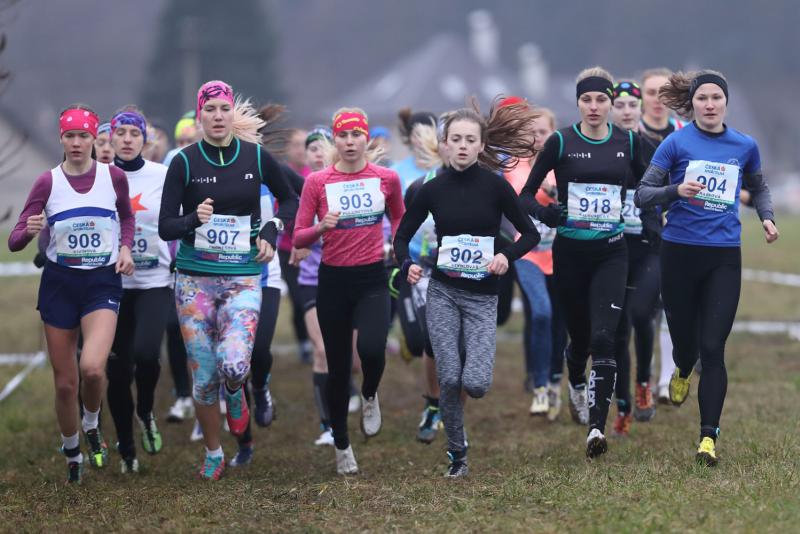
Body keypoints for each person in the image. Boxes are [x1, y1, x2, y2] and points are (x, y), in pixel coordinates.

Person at [635, 70, 778, 466]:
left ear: (726, 103)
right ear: (693, 104)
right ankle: (681, 368)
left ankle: (707, 438)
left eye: (717, 97)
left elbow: (759, 186)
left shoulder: (744, 145)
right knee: (687, 347)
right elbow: (643, 194)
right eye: (702, 98)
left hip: (723, 257)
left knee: (713, 348)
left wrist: (766, 217)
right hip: (679, 255)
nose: (710, 104)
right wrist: (675, 191)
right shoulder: (676, 143)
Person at [159, 80, 298, 480]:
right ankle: (214, 451)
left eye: (224, 109)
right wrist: (192, 219)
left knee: (235, 365)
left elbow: (290, 199)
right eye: (210, 110)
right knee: (204, 379)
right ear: (199, 115)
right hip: (194, 282)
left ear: (233, 113)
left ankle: (236, 393)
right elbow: (167, 226)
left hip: (242, 278)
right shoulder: (184, 162)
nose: (218, 117)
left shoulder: (255, 156)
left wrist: (272, 228)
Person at [395, 98, 540, 478]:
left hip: (483, 297)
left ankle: (458, 431)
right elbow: (401, 236)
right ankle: (457, 453)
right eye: (455, 139)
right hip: (442, 292)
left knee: (475, 383)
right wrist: (407, 265)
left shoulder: (496, 187)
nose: (462, 146)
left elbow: (530, 233)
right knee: (448, 377)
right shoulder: (431, 190)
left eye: (469, 140)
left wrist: (505, 256)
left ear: (481, 145)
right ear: (444, 144)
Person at [520, 67, 649, 458]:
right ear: (578, 103)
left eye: (601, 100)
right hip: (571, 254)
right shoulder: (560, 142)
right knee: (578, 341)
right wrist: (546, 214)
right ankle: (575, 379)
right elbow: (524, 196)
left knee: (605, 338)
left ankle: (596, 428)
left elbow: (649, 188)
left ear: (610, 103)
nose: (594, 106)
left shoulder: (629, 142)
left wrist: (663, 208)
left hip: (612, 252)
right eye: (586, 99)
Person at [8, 104, 135, 483]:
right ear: (61, 139)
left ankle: (91, 423)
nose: (77, 142)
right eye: (70, 136)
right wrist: (28, 230)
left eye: (83, 136)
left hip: (101, 283)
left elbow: (126, 217)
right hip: (60, 286)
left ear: (94, 139)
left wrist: (125, 248)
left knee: (93, 369)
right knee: (65, 384)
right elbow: (15, 240)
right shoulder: (47, 182)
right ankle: (72, 452)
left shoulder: (113, 177)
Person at [293, 107, 404, 475]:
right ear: (335, 140)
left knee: (372, 350)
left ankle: (370, 393)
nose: (350, 142)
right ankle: (342, 444)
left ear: (366, 138)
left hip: (372, 279)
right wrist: (320, 228)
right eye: (343, 135)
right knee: (338, 369)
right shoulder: (317, 182)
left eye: (357, 135)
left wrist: (398, 247)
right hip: (333, 282)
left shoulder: (386, 178)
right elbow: (299, 236)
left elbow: (399, 216)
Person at [105, 107, 173, 473]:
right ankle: (127, 447)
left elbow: (181, 218)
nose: (128, 140)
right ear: (111, 138)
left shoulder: (162, 175)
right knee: (117, 372)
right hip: (111, 287)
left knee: (147, 355)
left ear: (145, 139)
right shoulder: (99, 177)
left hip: (154, 282)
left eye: (135, 134)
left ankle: (145, 411)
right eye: (121, 133)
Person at [502, 103, 566, 419]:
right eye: (531, 133)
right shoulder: (513, 166)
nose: (537, 138)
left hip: (562, 254)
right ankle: (539, 385)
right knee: (540, 313)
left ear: (553, 133)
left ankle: (555, 380)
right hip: (527, 254)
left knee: (560, 320)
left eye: (543, 132)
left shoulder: (564, 163)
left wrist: (553, 191)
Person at [608, 80, 662, 435]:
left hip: (647, 247)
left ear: (640, 109)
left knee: (642, 316)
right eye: (620, 104)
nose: (626, 111)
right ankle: (623, 405)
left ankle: (643, 383)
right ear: (610, 109)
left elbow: (669, 189)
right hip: (614, 248)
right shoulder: (601, 149)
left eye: (632, 105)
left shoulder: (652, 147)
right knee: (617, 331)